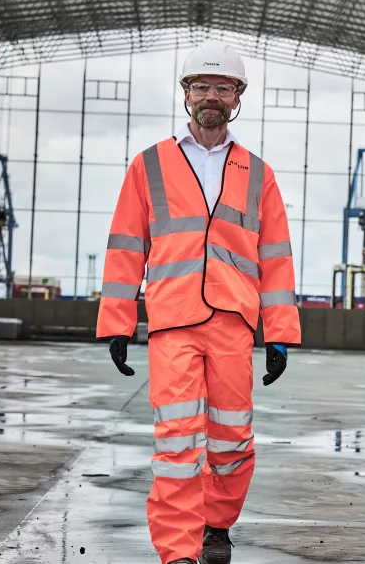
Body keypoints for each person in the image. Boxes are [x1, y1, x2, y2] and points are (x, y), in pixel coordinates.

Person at [97, 40, 301, 564]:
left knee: (232, 439)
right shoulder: (149, 166)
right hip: (172, 321)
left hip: (233, 323)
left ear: (238, 97)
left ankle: (217, 524)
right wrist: (117, 323)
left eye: (224, 87)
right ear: (186, 93)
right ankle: (178, 551)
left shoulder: (259, 174)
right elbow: (125, 248)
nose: (213, 96)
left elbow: (275, 259)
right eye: (203, 86)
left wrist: (279, 332)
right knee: (177, 441)